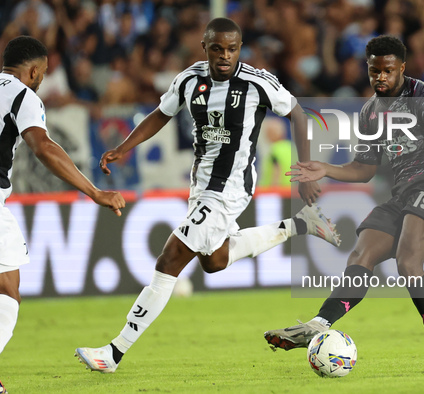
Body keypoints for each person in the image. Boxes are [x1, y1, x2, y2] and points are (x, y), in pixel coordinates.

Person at [75, 18, 340, 373]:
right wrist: (124, 147)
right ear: (205, 47)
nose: (225, 56)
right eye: (218, 48)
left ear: (240, 48)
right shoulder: (188, 80)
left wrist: (306, 168)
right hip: (201, 185)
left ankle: (114, 352)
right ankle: (300, 225)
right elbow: (161, 113)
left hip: (230, 187)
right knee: (213, 261)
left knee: (169, 260)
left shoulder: (257, 83)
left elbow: (297, 113)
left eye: (232, 49)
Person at [264, 35, 424, 373]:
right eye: (375, 71)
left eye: (388, 71)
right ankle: (318, 324)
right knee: (362, 255)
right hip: (402, 195)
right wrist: (325, 168)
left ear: (401, 68)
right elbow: (365, 170)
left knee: (408, 259)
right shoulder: (371, 111)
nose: (380, 78)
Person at [0, 36, 126, 391]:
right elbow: (42, 146)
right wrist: (94, 191)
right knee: (7, 291)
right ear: (35, 70)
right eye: (43, 73)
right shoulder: (23, 96)